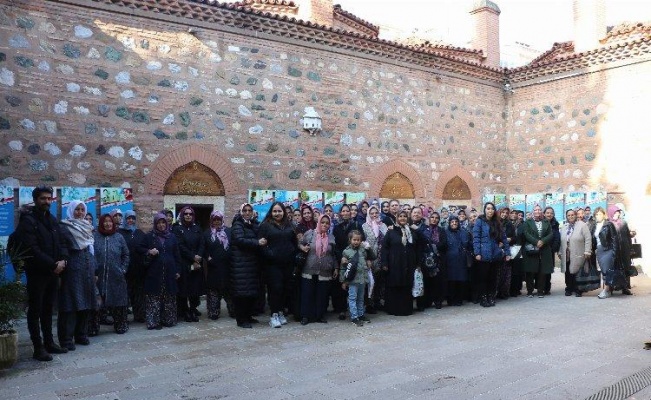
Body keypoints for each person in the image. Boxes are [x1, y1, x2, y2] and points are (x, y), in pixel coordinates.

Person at [13, 186, 69, 361]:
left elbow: (62, 242)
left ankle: (50, 343)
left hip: (53, 272)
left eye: (49, 198)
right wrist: (53, 264)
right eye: (43, 198)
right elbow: (32, 248)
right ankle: (38, 347)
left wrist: (63, 260)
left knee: (48, 309)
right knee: (35, 310)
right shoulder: (28, 221)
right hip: (37, 273)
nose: (46, 201)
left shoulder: (52, 220)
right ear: (35, 200)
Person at [58, 200, 96, 350]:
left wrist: (95, 269)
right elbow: (62, 248)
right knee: (70, 305)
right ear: (71, 210)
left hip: (87, 270)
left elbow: (92, 250)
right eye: (77, 210)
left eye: (82, 210)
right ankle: (66, 339)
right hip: (72, 270)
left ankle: (81, 334)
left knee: (85, 303)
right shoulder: (64, 227)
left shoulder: (87, 227)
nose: (80, 213)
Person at [258, 202, 297, 328]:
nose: (277, 213)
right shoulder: (265, 225)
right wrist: (271, 254)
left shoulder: (289, 225)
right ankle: (273, 315)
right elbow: (262, 245)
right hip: (272, 265)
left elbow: (294, 242)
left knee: (285, 289)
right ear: (271, 212)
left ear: (284, 212)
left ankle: (280, 312)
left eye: (279, 211)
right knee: (275, 289)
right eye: (275, 211)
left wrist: (292, 253)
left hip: (288, 264)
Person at [139, 213, 181, 330]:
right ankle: (153, 322)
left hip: (170, 272)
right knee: (154, 298)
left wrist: (178, 270)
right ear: (155, 224)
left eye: (163, 222)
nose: (161, 225)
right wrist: (149, 251)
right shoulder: (150, 236)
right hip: (154, 272)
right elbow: (140, 248)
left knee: (169, 297)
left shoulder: (172, 237)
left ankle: (168, 320)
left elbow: (177, 255)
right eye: (159, 223)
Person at [91, 214, 130, 334]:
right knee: (96, 302)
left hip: (116, 276)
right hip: (98, 276)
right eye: (105, 222)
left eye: (110, 222)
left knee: (119, 301)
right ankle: (93, 327)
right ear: (101, 223)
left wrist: (123, 269)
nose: (107, 224)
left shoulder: (119, 237)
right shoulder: (94, 237)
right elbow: (90, 254)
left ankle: (120, 325)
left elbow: (126, 254)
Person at [230, 203, 266, 328]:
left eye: (249, 210)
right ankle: (241, 320)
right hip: (241, 265)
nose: (247, 212)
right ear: (241, 212)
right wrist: (257, 242)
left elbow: (259, 233)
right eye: (244, 210)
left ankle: (248, 316)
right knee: (242, 295)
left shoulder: (252, 224)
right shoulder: (237, 224)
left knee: (250, 293)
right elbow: (240, 240)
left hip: (251, 265)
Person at [298, 215, 337, 325]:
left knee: (322, 294)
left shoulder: (331, 237)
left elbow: (333, 254)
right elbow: (299, 243)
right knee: (307, 293)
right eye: (322, 222)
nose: (324, 225)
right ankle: (305, 316)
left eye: (327, 223)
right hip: (309, 269)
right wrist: (302, 247)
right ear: (318, 222)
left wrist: (336, 268)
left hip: (325, 270)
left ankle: (319, 315)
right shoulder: (309, 233)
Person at [381, 210, 421, 316]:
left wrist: (417, 263)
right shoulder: (391, 231)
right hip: (394, 263)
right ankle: (393, 309)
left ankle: (406, 309)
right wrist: (384, 263)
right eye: (400, 216)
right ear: (397, 218)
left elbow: (418, 247)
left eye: (404, 216)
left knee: (406, 285)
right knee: (394, 284)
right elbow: (384, 248)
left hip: (408, 264)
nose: (402, 218)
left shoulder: (412, 232)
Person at [472, 202, 510, 307]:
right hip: (483, 255)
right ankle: (483, 298)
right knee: (483, 278)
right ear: (485, 210)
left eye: (492, 209)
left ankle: (491, 296)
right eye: (488, 208)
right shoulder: (479, 221)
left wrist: (507, 252)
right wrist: (477, 253)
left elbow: (504, 238)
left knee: (493, 278)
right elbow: (476, 238)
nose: (490, 211)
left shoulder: (497, 223)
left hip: (495, 254)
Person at [172, 206, 205, 322]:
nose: (188, 215)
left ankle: (193, 309)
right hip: (184, 263)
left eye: (190, 214)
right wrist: (193, 257)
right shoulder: (177, 229)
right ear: (182, 215)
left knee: (195, 288)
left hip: (196, 264)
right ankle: (185, 311)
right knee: (184, 288)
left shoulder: (197, 228)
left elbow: (202, 243)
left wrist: (198, 257)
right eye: (186, 214)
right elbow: (180, 246)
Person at [333, 204, 365, 319]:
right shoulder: (337, 227)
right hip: (343, 259)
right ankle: (342, 309)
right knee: (343, 283)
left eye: (348, 211)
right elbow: (335, 246)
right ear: (340, 213)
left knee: (355, 286)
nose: (346, 213)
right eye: (343, 211)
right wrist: (340, 257)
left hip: (355, 258)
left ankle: (358, 313)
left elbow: (363, 240)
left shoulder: (356, 225)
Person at [203, 210, 233, 320]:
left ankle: (233, 309)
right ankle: (213, 311)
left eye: (218, 219)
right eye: (214, 219)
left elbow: (233, 246)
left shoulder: (229, 232)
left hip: (227, 267)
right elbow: (203, 248)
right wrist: (207, 257)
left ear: (222, 220)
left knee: (229, 290)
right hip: (213, 267)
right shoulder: (207, 233)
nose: (216, 222)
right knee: (213, 291)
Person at [340, 230, 373, 327]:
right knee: (352, 298)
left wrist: (368, 249)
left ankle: (361, 314)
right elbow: (343, 268)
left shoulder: (363, 249)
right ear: (350, 240)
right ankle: (354, 317)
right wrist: (343, 281)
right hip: (352, 280)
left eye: (358, 240)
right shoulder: (346, 251)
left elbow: (372, 256)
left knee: (360, 298)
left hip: (362, 279)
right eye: (354, 239)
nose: (356, 242)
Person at [118, 210, 147, 323]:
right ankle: (122, 317)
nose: (131, 220)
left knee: (139, 294)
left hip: (138, 269)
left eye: (133, 218)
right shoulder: (119, 233)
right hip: (124, 270)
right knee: (125, 294)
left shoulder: (140, 233)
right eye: (129, 218)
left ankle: (139, 315)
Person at [591, 207, 623, 299]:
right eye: (596, 214)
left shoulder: (608, 224)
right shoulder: (594, 226)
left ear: (604, 215)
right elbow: (594, 239)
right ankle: (609, 289)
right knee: (603, 270)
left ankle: (606, 290)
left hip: (608, 250)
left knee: (606, 271)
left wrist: (614, 252)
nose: (598, 216)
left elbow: (614, 239)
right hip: (599, 250)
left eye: (600, 214)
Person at [522, 205, 553, 298]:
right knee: (530, 271)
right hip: (531, 249)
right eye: (536, 210)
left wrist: (542, 241)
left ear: (541, 212)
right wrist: (536, 242)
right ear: (533, 212)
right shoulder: (527, 222)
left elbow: (551, 234)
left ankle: (540, 291)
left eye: (539, 210)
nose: (538, 211)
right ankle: (530, 291)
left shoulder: (546, 222)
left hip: (544, 249)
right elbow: (526, 234)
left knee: (542, 271)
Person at [559, 209, 592, 297]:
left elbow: (588, 238)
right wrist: (560, 251)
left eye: (572, 215)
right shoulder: (564, 227)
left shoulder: (582, 225)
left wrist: (587, 251)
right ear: (566, 217)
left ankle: (578, 289)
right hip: (566, 253)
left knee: (577, 271)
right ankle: (569, 288)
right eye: (568, 215)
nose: (570, 217)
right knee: (568, 271)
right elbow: (561, 240)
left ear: (575, 215)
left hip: (578, 252)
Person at [362, 205, 388, 313]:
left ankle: (378, 302)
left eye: (376, 213)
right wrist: (367, 257)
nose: (374, 215)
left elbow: (387, 240)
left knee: (380, 281)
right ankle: (369, 304)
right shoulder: (364, 226)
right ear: (368, 214)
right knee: (370, 281)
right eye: (371, 213)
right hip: (370, 258)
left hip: (382, 257)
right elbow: (363, 242)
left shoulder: (383, 225)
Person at [423, 211, 448, 309]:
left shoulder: (441, 230)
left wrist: (434, 246)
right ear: (429, 218)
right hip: (426, 258)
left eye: (436, 217)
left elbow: (444, 243)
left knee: (438, 281)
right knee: (427, 280)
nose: (434, 219)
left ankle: (438, 301)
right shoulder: (424, 230)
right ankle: (428, 301)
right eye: (432, 217)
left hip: (438, 258)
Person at [445, 216, 472, 306]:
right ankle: (451, 299)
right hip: (450, 260)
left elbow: (469, 245)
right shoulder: (445, 232)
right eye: (452, 222)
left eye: (456, 221)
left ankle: (459, 299)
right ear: (449, 223)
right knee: (451, 281)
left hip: (461, 260)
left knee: (461, 280)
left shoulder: (464, 232)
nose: (454, 223)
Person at [609, 206, 634, 295]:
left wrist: (630, 248)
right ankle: (612, 287)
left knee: (626, 267)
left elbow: (628, 236)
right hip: (614, 250)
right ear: (611, 213)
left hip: (624, 249)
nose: (617, 214)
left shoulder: (623, 223)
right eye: (615, 212)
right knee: (613, 268)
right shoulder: (608, 224)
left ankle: (625, 287)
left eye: (618, 212)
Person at [542, 206, 561, 295]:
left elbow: (557, 237)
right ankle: (540, 287)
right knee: (540, 269)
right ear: (544, 214)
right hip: (540, 249)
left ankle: (546, 288)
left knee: (548, 270)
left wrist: (553, 249)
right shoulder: (540, 223)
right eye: (548, 213)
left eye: (551, 213)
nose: (549, 214)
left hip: (550, 250)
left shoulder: (555, 224)